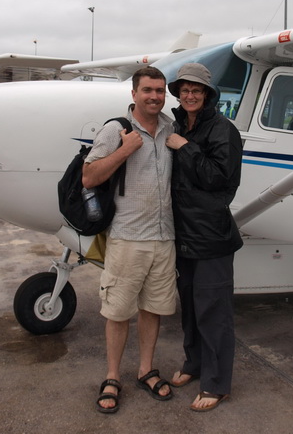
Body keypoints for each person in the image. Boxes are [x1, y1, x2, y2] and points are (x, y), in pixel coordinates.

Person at [83, 66, 177, 414]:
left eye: (160, 90)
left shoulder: (171, 128)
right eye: (148, 90)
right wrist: (124, 150)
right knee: (118, 312)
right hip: (127, 237)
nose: (154, 96)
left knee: (153, 308)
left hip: (164, 236)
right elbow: (89, 176)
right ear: (134, 94)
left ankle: (145, 370)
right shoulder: (116, 129)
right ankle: (112, 376)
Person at [164, 63, 243, 412]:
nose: (190, 94)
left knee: (214, 312)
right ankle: (194, 365)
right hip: (182, 235)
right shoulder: (179, 125)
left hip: (211, 237)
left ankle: (216, 383)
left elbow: (217, 178)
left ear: (208, 94)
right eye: (184, 89)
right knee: (191, 310)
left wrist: (185, 148)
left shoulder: (223, 130)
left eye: (197, 90)